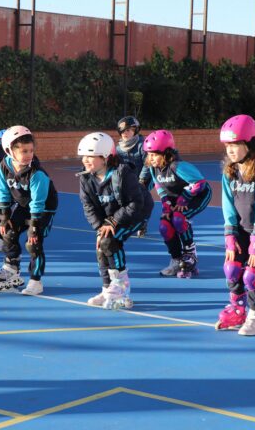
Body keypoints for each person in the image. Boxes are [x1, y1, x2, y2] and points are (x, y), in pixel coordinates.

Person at [77, 132, 153, 309]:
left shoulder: (122, 174)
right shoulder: (86, 177)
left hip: (136, 212)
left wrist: (113, 221)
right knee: (101, 245)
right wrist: (99, 228)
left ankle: (121, 287)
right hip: (110, 217)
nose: (85, 160)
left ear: (105, 157)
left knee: (111, 241)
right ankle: (106, 289)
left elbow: (136, 202)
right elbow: (88, 206)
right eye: (83, 157)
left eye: (90, 156)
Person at [218, 115, 255, 336]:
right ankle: (237, 309)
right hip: (240, 230)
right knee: (232, 269)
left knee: (251, 275)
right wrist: (230, 238)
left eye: (235, 145)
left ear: (249, 144)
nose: (231, 151)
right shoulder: (230, 173)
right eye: (228, 146)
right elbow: (228, 207)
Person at [0, 126, 58, 295]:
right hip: (23, 205)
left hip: (43, 208)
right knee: (8, 233)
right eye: (24, 151)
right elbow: (2, 190)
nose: (29, 155)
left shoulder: (36, 173)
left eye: (31, 150)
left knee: (33, 243)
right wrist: (4, 215)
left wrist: (34, 226)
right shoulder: (4, 166)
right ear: (9, 151)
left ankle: (36, 281)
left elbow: (38, 202)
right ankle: (11, 269)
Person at [144, 130, 212, 278]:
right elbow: (160, 187)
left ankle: (190, 254)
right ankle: (176, 259)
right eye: (149, 154)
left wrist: (183, 199)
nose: (151, 158)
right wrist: (166, 205)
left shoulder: (177, 166)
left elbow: (200, 183)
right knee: (164, 226)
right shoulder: (153, 169)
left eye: (154, 154)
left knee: (178, 218)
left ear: (167, 153)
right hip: (177, 198)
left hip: (198, 196)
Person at [115, 115, 153, 237]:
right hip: (130, 179)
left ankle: (142, 224)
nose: (126, 133)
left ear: (135, 131)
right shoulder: (118, 148)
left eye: (129, 130)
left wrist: (142, 179)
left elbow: (148, 164)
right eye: (124, 130)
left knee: (141, 200)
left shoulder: (142, 145)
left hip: (145, 178)